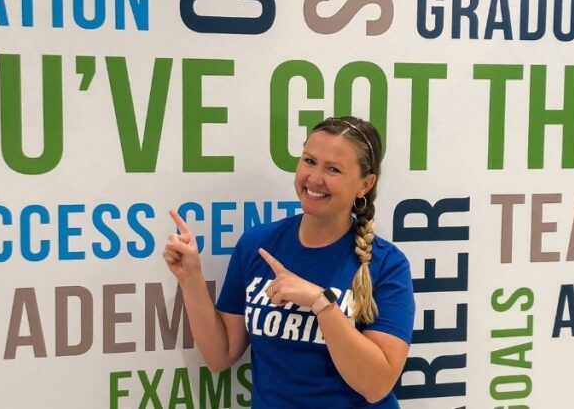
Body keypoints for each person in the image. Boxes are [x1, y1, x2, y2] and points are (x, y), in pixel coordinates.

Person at [163, 116, 415, 408]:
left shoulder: (387, 265)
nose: (315, 178)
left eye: (333, 169)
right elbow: (221, 355)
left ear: (365, 184)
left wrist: (321, 303)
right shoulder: (258, 245)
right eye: (309, 161)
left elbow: (376, 385)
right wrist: (191, 278)